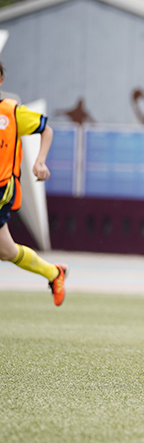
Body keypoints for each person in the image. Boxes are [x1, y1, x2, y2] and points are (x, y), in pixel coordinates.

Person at [0, 61, 67, 305]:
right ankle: (54, 273)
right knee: (7, 251)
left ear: (1, 81)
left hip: (2, 188)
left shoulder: (11, 112)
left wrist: (39, 161)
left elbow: (46, 130)